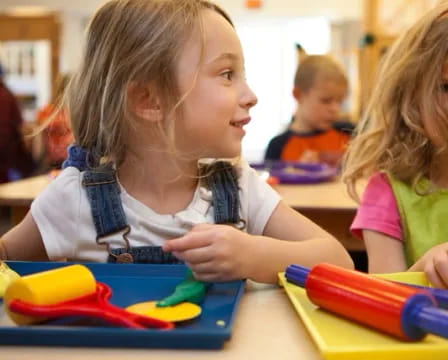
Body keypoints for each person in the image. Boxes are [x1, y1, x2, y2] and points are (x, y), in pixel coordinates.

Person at [0, 0, 353, 284]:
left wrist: (254, 256)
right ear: (149, 101)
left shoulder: (240, 187)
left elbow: (339, 261)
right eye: (227, 74)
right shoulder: (72, 197)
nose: (251, 95)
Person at [342, 0, 448, 290]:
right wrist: (427, 271)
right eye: (447, 88)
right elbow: (384, 304)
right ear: (411, 95)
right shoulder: (389, 194)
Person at [265, 55, 353, 167]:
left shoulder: (349, 133)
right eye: (326, 101)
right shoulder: (277, 147)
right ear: (298, 95)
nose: (335, 109)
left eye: (339, 101)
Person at [0, 63, 35, 183]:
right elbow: (20, 127)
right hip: (7, 157)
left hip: (6, 158)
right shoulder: (7, 96)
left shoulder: (6, 96)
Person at [36, 74, 74, 169]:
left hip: (56, 160)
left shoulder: (45, 111)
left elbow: (39, 143)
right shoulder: (73, 112)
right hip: (66, 160)